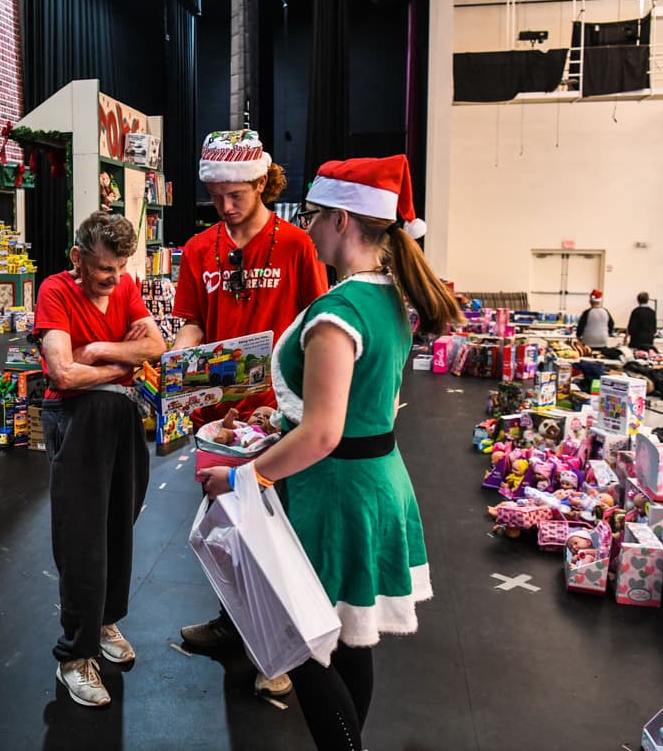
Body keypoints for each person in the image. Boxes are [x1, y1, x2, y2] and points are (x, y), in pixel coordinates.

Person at [196, 154, 460, 749]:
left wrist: (242, 479)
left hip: (334, 492)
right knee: (345, 637)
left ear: (342, 220)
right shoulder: (389, 296)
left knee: (305, 644)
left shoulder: (337, 313)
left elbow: (321, 433)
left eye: (314, 215)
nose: (307, 226)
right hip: (373, 481)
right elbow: (356, 408)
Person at [173, 128, 328, 697]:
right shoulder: (198, 249)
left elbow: (317, 321)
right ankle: (234, 623)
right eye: (215, 196)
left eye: (236, 194)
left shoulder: (296, 245)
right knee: (226, 526)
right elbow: (191, 318)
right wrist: (184, 356)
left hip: (279, 412)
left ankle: (279, 647)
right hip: (218, 416)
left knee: (276, 531)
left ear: (263, 181)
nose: (225, 206)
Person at [33, 210, 166, 708]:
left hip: (120, 419)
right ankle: (75, 655)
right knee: (82, 536)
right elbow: (62, 375)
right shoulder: (55, 290)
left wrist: (99, 352)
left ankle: (103, 619)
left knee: (119, 526)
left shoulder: (126, 287)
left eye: (121, 267)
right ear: (77, 258)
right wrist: (121, 366)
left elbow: (156, 344)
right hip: (76, 420)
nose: (115, 278)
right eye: (105, 268)